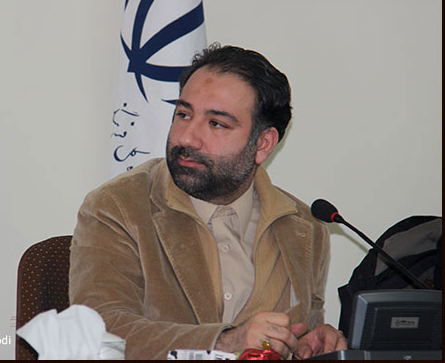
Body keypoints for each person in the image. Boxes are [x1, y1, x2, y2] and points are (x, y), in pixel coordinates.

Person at [69, 44, 347, 360]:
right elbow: (97, 334)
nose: (187, 137)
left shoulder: (305, 228)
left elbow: (296, 335)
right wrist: (225, 342)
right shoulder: (118, 207)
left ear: (263, 143)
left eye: (216, 123)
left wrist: (310, 343)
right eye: (183, 115)